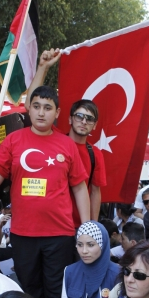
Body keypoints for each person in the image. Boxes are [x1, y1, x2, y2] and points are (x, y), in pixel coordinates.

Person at [0, 85, 90, 298]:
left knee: (58, 293)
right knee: (29, 292)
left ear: (57, 113)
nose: (41, 113)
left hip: (60, 234)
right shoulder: (12, 140)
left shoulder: (67, 144)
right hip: (23, 233)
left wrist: (87, 228)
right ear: (28, 109)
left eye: (47, 108)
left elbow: (80, 188)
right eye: (36, 106)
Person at [26, 48, 107, 224]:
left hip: (78, 227)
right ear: (69, 119)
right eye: (79, 116)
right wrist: (42, 67)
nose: (83, 121)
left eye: (89, 118)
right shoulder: (53, 137)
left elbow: (94, 192)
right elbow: (30, 104)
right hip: (48, 224)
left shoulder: (95, 154)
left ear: (94, 125)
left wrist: (91, 228)